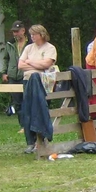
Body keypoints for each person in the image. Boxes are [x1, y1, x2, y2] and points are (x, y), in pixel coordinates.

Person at [18, 24, 58, 154]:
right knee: (27, 110)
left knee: (41, 108)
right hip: (27, 81)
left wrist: (29, 62)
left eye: (34, 34)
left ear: (41, 34)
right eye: (31, 35)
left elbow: (47, 64)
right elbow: (20, 65)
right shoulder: (28, 48)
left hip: (43, 83)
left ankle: (41, 140)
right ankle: (30, 142)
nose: (32, 37)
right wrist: (37, 65)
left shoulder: (50, 48)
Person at [4, 20, 28, 116]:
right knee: (17, 102)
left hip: (25, 75)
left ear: (23, 31)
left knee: (26, 100)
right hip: (13, 75)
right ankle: (22, 125)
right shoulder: (10, 44)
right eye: (14, 31)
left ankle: (27, 125)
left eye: (17, 31)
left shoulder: (30, 43)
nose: (15, 34)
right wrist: (4, 72)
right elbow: (6, 58)